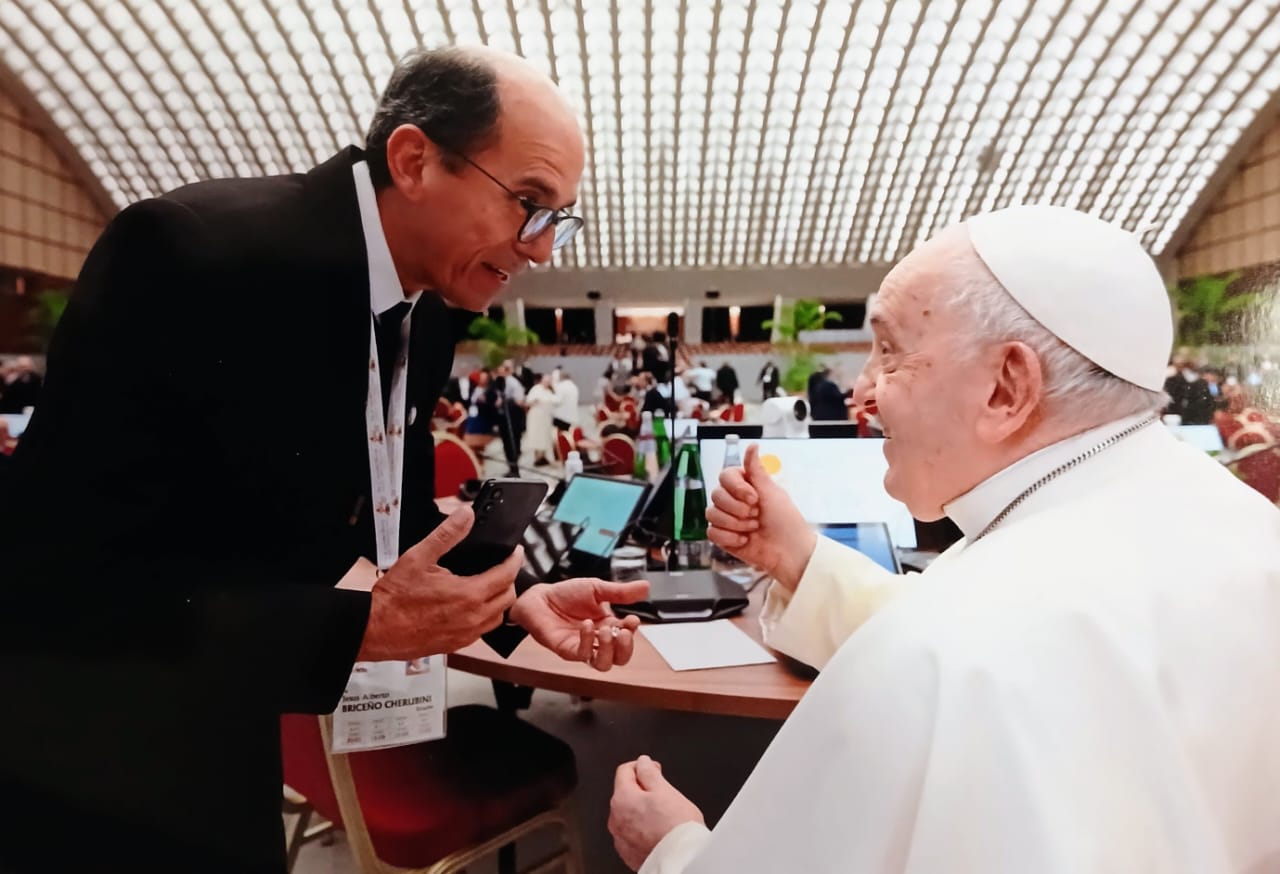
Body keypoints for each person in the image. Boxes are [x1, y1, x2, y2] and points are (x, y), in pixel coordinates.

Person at [0, 47, 651, 873]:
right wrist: (355, 626)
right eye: (529, 203)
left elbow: (394, 516)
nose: (542, 248)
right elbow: (55, 577)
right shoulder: (191, 256)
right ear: (414, 161)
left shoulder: (432, 308)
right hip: (92, 764)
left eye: (558, 216)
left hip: (227, 736)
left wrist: (514, 601)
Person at [609, 205, 1280, 873]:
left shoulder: (952, 646)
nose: (861, 392)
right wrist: (798, 558)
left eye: (890, 353)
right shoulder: (1236, 523)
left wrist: (675, 852)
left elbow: (956, 653)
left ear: (1006, 388)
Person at [524, 372, 558, 466]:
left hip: (546, 418)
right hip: (536, 417)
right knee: (537, 437)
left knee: (545, 438)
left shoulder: (550, 391)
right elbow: (528, 402)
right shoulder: (536, 389)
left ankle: (543, 457)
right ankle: (538, 458)